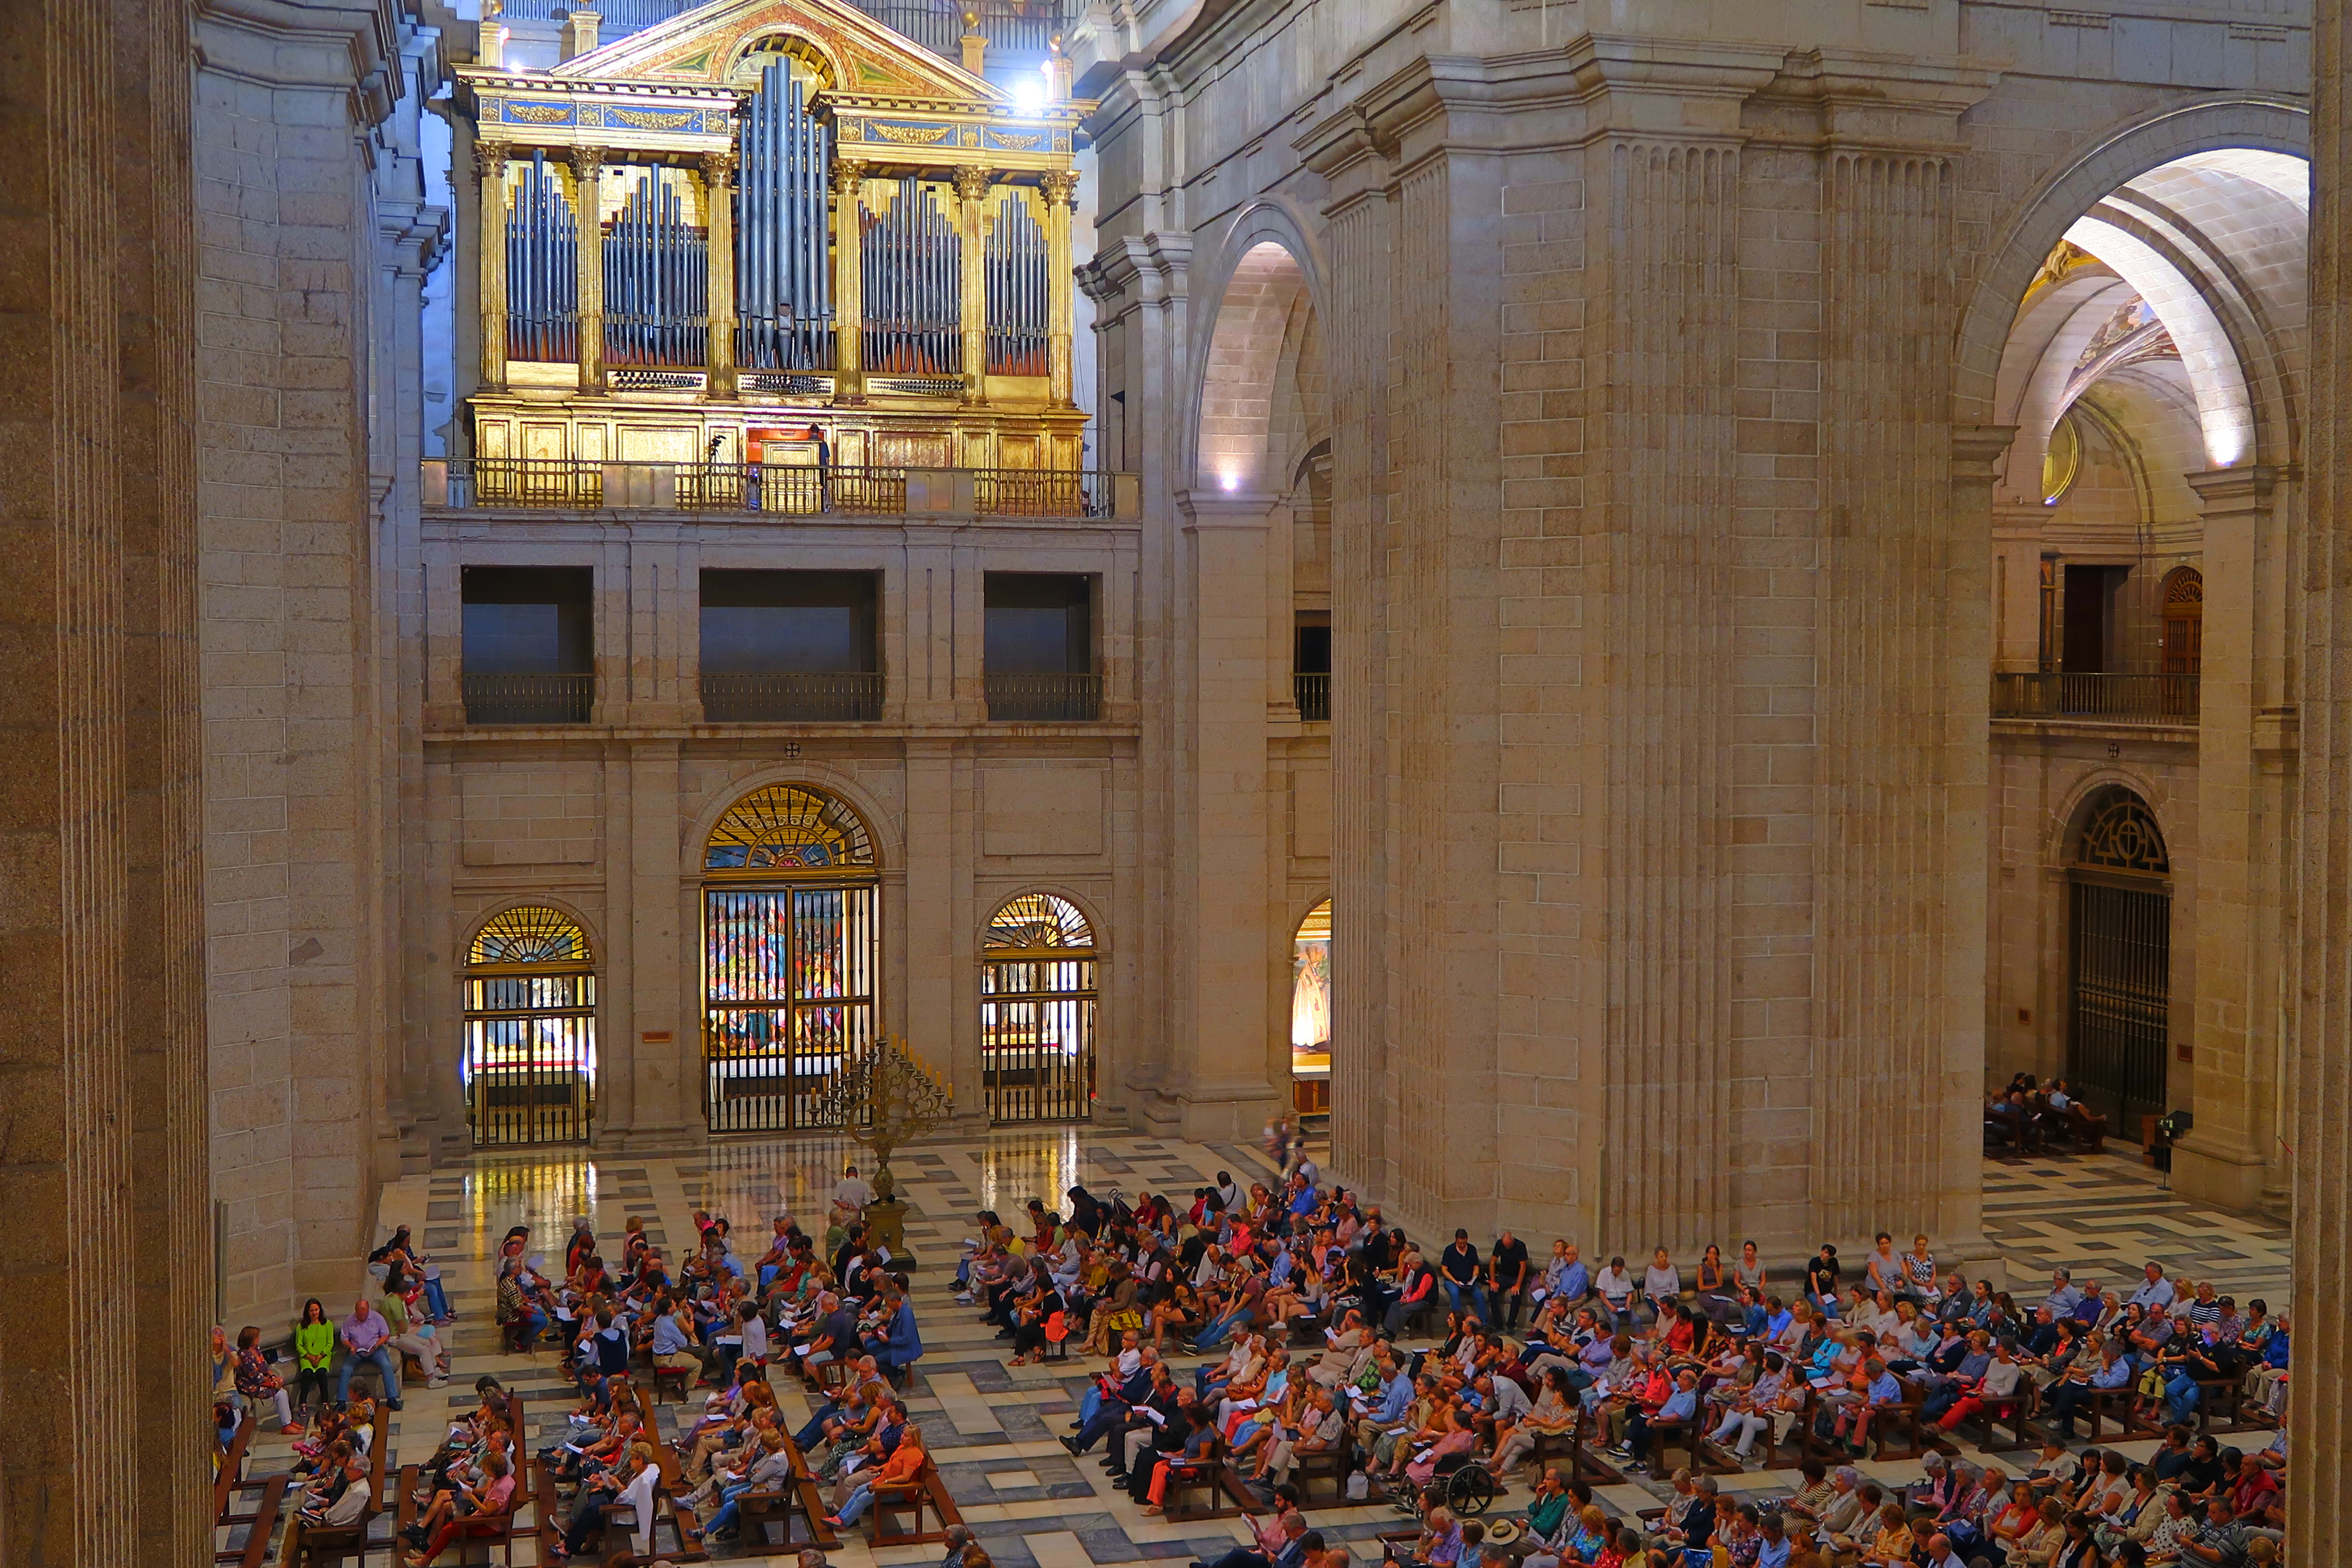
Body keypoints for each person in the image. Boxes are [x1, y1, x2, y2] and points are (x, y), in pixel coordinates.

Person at [336, 1296, 401, 1409]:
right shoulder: (349, 1321)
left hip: (375, 1350)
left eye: (365, 1315)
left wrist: (378, 1343)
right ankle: (341, 1402)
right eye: (360, 1315)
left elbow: (386, 1334)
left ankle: (392, 1398)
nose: (363, 1317)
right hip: (357, 1352)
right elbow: (344, 1338)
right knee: (346, 1369)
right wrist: (351, 1347)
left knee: (387, 1365)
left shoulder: (377, 1318)